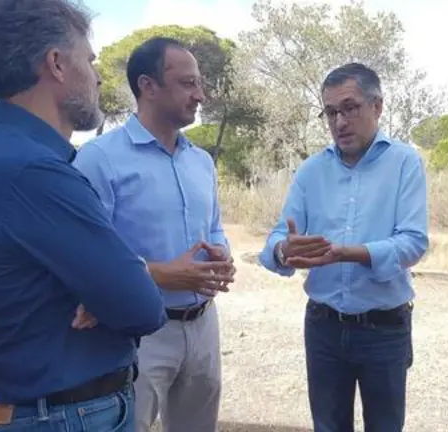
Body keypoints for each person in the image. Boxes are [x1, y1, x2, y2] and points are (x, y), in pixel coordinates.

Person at [0, 0, 169, 430]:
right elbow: (142, 307)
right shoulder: (31, 171)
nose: (97, 76)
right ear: (57, 64)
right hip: (64, 417)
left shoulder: (4, 154)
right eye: (90, 60)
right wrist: (116, 287)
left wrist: (108, 290)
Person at [72, 36, 235, 432]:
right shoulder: (99, 159)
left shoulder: (201, 161)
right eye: (188, 83)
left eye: (199, 83)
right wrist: (160, 274)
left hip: (204, 326)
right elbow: (84, 256)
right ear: (147, 86)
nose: (200, 95)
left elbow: (214, 226)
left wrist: (222, 254)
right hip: (138, 334)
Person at [258, 62, 429, 432]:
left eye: (349, 108)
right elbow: (276, 239)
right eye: (331, 112)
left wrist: (350, 253)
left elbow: (413, 242)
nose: (340, 122)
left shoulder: (405, 163)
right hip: (324, 327)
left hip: (384, 328)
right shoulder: (311, 171)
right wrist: (285, 251)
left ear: (377, 106)